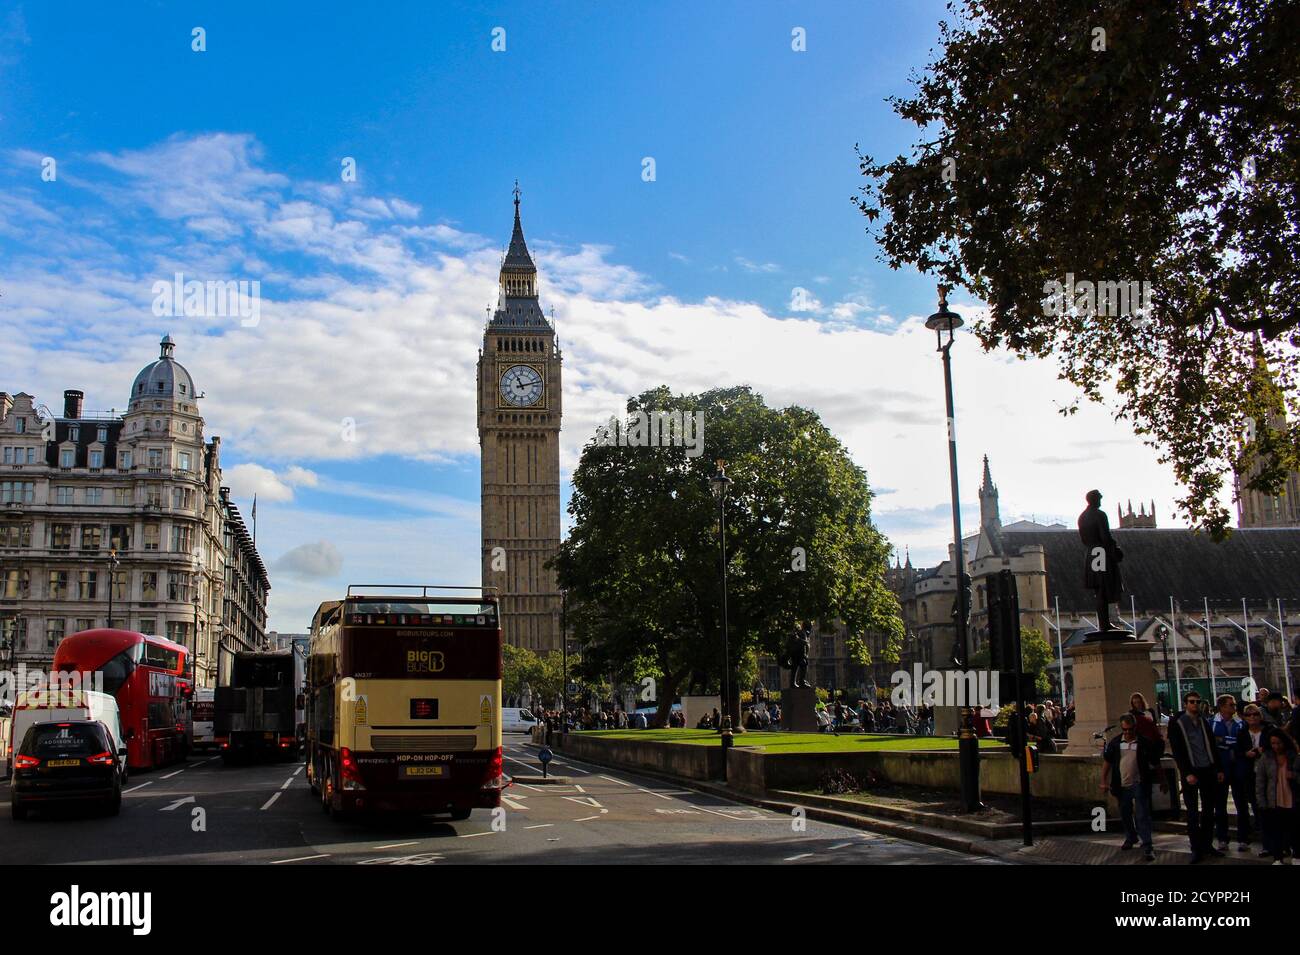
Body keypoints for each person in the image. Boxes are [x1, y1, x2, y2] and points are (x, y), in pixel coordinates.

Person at [1167, 691, 1225, 862]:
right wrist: (1186, 773)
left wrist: (1218, 768)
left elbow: (1212, 746)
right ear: (1185, 704)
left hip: (1207, 768)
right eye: (1192, 702)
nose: (1195, 704)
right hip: (1191, 771)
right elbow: (1177, 750)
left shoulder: (1203, 722)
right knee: (1192, 812)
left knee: (1209, 810)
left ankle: (1207, 844)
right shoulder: (1178, 723)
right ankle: (1196, 848)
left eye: (1197, 702)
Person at [1101, 714, 1161, 861]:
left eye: (1130, 729)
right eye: (1124, 729)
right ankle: (1131, 836)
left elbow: (1155, 762)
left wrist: (1162, 779)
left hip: (1140, 783)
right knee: (1125, 813)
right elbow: (1107, 762)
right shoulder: (1115, 743)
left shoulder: (1144, 742)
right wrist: (1103, 781)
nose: (1127, 733)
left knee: (1142, 815)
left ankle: (1147, 845)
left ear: (1135, 728)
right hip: (1121, 785)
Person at [1212, 694, 1253, 851]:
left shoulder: (1241, 724)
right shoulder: (1212, 723)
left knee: (1241, 805)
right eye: (1231, 705)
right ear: (1222, 707)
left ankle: (1244, 838)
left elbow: (1242, 744)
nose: (1234, 708)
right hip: (1221, 769)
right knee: (1220, 806)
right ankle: (1223, 838)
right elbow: (1213, 745)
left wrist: (1225, 741)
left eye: (1234, 705)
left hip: (1238, 768)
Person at [1255, 730, 1299, 864]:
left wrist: (1295, 776)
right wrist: (1261, 801)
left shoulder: (1294, 756)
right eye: (1273, 743)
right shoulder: (1266, 758)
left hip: (1292, 797)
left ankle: (1297, 855)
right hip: (1274, 798)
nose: (1276, 746)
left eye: (1278, 743)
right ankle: (1278, 857)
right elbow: (1260, 781)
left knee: (1295, 829)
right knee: (1276, 830)